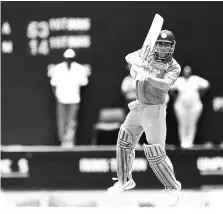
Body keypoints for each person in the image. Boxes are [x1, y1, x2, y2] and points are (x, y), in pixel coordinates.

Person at [107, 30, 181, 207]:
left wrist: (147, 75)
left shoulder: (173, 66)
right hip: (138, 106)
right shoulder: (147, 54)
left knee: (155, 152)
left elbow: (165, 84)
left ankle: (172, 187)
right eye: (160, 44)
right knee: (124, 138)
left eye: (166, 44)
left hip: (154, 110)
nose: (163, 48)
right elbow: (129, 57)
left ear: (172, 46)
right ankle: (124, 180)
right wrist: (137, 63)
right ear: (155, 45)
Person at [48, 49, 89, 147]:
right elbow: (53, 84)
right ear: (64, 58)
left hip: (74, 99)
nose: (69, 61)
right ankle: (63, 141)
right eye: (67, 58)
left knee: (71, 121)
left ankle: (70, 141)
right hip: (61, 99)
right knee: (61, 121)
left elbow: (84, 83)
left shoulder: (79, 68)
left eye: (71, 59)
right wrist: (57, 96)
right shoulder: (58, 68)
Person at [170, 65, 210, 149]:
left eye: (188, 71)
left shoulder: (195, 79)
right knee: (183, 123)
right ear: (183, 72)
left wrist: (201, 94)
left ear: (190, 72)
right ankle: (183, 142)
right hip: (181, 105)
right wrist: (175, 97)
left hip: (194, 105)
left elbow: (207, 85)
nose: (187, 73)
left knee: (192, 124)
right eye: (185, 71)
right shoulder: (179, 80)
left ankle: (190, 142)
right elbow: (170, 88)